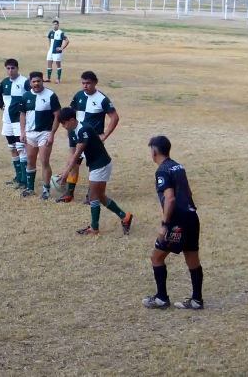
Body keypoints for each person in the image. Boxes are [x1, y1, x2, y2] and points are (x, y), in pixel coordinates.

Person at [142, 135, 204, 310]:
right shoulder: (178, 166)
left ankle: (161, 298)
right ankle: (197, 300)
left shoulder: (162, 171)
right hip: (192, 216)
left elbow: (169, 199)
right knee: (192, 258)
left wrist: (165, 224)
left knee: (157, 257)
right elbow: (188, 191)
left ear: (154, 152)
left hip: (178, 221)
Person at [57, 107, 133, 236]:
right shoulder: (72, 130)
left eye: (63, 123)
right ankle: (125, 217)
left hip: (101, 164)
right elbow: (73, 153)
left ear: (71, 120)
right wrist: (66, 170)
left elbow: (77, 154)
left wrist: (66, 174)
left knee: (94, 196)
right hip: (96, 164)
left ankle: (94, 228)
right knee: (101, 196)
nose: (63, 126)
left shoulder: (83, 130)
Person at [57, 71, 120, 203]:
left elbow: (114, 117)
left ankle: (91, 196)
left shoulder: (102, 99)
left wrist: (105, 135)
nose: (85, 86)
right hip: (77, 137)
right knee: (74, 163)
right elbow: (70, 115)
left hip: (91, 140)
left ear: (95, 83)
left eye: (88, 83)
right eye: (83, 83)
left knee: (93, 166)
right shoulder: (78, 96)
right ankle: (69, 193)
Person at [19, 71, 61, 200]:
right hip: (30, 134)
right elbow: (22, 115)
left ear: (42, 81)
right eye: (34, 81)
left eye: (38, 81)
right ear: (30, 82)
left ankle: (46, 190)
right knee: (30, 161)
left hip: (45, 133)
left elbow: (57, 115)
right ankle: (30, 188)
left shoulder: (51, 95)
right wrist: (22, 132)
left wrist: (52, 134)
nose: (36, 84)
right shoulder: (25, 96)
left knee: (44, 161)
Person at [0, 58, 30, 187]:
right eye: (8, 68)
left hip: (18, 121)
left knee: (21, 148)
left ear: (17, 68)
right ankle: (18, 176)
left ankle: (25, 179)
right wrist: (1, 106)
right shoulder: (4, 83)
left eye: (12, 68)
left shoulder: (25, 82)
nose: (10, 71)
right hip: (7, 120)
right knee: (12, 147)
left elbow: (31, 97)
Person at [45, 19, 69, 84]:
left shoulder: (60, 33)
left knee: (58, 64)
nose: (55, 26)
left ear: (58, 25)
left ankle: (58, 79)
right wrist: (50, 47)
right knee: (49, 63)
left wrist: (61, 48)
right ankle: (48, 78)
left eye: (56, 24)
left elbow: (67, 41)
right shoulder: (51, 32)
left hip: (57, 52)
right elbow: (49, 39)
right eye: (54, 24)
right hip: (50, 51)